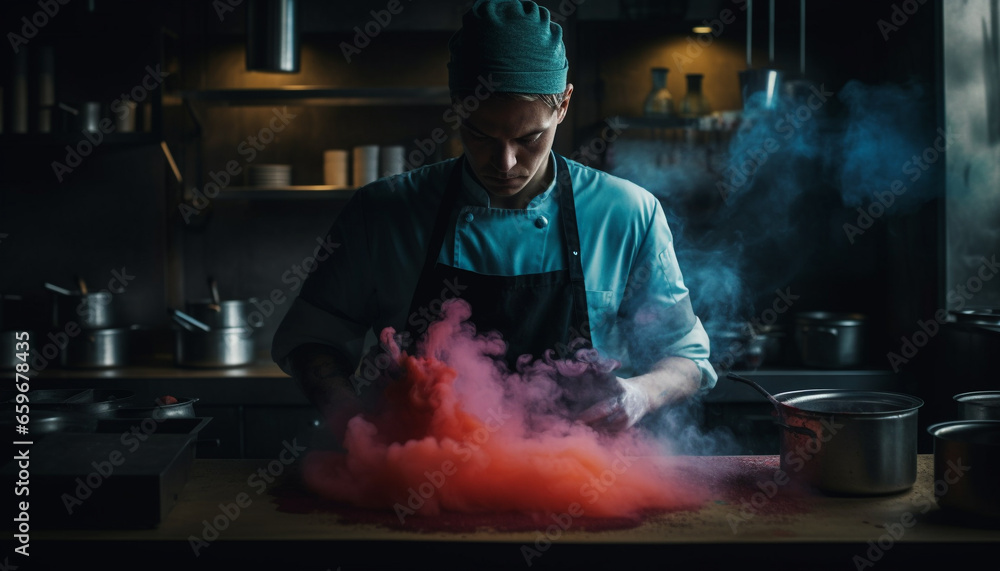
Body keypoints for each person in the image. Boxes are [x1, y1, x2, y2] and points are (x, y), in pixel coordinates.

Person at [271, 0, 716, 435]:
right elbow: (314, 342)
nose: (504, 162)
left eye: (529, 137)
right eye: (479, 133)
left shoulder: (627, 213)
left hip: (578, 484)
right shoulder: (382, 213)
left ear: (563, 104)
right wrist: (354, 425)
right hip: (416, 483)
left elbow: (686, 356)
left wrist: (639, 395)